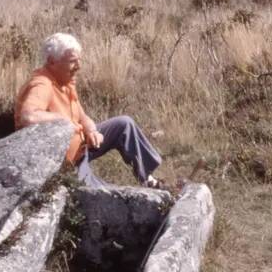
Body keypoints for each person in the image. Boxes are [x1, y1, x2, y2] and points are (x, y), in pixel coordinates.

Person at [14, 32, 165, 191]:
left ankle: (148, 178)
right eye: (73, 62)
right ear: (52, 61)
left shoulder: (65, 80)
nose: (78, 67)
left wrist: (91, 130)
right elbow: (28, 116)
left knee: (124, 124)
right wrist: (63, 120)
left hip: (81, 145)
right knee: (108, 195)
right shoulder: (42, 84)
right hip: (68, 164)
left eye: (79, 61)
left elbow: (81, 115)